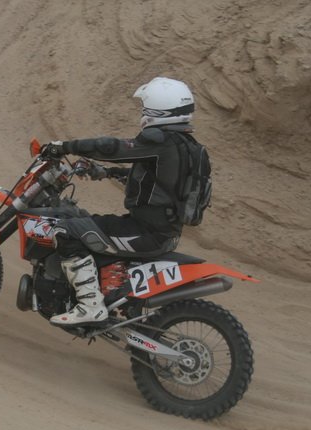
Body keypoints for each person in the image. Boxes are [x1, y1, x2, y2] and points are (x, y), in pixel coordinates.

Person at [41, 77, 210, 326]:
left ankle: (90, 305)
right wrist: (106, 172)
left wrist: (64, 147)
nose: (142, 112)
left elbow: (112, 148)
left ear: (158, 110)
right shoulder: (186, 147)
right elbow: (154, 181)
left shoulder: (162, 141)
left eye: (145, 107)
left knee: (65, 231)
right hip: (164, 232)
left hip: (145, 232)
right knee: (82, 220)